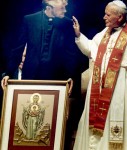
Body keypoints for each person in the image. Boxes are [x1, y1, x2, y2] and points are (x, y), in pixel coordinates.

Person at [1, 0, 88, 149]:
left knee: (52, 120)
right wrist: (8, 72)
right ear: (49, 8)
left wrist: (71, 76)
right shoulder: (29, 20)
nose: (66, 10)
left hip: (57, 80)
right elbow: (18, 47)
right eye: (63, 7)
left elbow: (70, 53)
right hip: (32, 77)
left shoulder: (67, 24)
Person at [72, 0, 127, 149]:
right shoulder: (105, 33)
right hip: (97, 86)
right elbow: (91, 49)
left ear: (119, 17)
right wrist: (79, 35)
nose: (104, 17)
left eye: (108, 15)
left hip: (119, 85)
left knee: (113, 120)